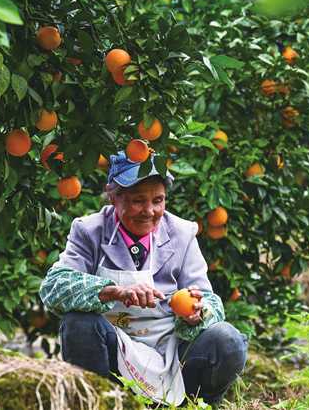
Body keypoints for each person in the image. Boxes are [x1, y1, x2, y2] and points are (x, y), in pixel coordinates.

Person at [39, 151, 248, 407]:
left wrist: (198, 312)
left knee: (226, 339)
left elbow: (212, 304)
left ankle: (195, 404)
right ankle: (100, 402)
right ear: (113, 196)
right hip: (113, 349)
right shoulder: (89, 231)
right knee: (78, 323)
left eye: (158, 200)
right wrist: (113, 291)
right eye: (138, 201)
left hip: (173, 352)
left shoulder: (182, 234)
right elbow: (53, 288)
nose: (149, 211)